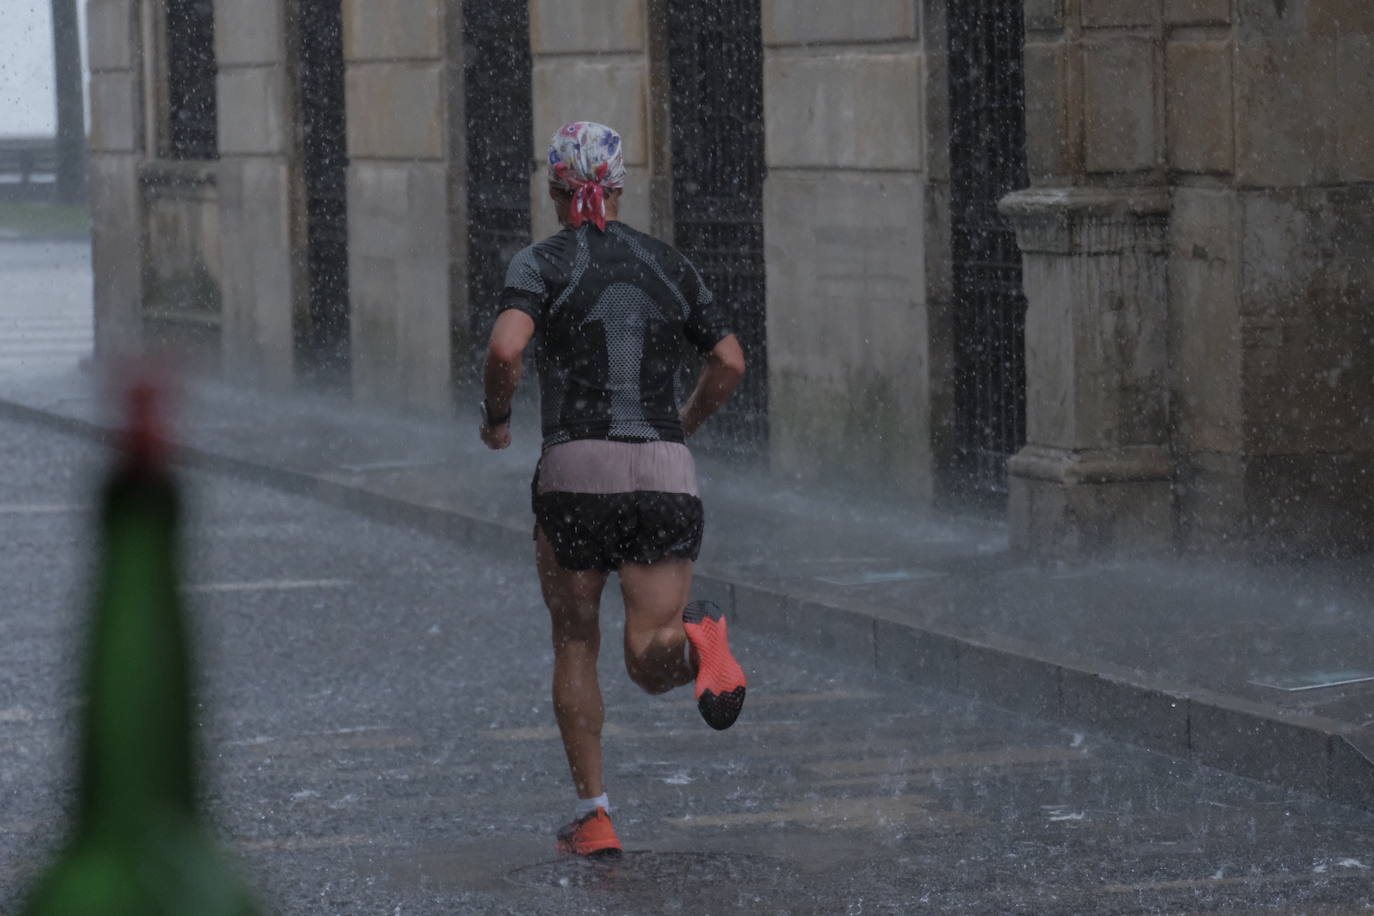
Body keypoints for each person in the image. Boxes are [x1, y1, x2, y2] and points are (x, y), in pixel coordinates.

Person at [479, 121, 747, 857]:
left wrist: (497, 417)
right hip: (664, 470)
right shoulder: (668, 263)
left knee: (576, 640)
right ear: (621, 186)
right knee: (647, 653)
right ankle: (696, 649)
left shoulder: (541, 262)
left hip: (576, 474)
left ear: (554, 188)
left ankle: (595, 814)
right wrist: (683, 421)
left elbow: (507, 346)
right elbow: (729, 360)